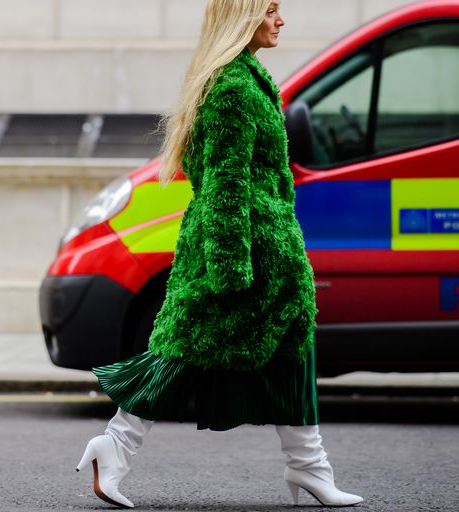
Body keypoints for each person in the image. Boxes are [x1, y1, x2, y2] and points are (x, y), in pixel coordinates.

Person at [75, 0, 364, 508]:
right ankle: (114, 447)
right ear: (243, 16)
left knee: (290, 352)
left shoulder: (242, 79)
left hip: (265, 252)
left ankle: (309, 468)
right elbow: (224, 187)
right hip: (245, 254)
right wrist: (232, 270)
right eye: (271, 9)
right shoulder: (232, 89)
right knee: (184, 353)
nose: (281, 19)